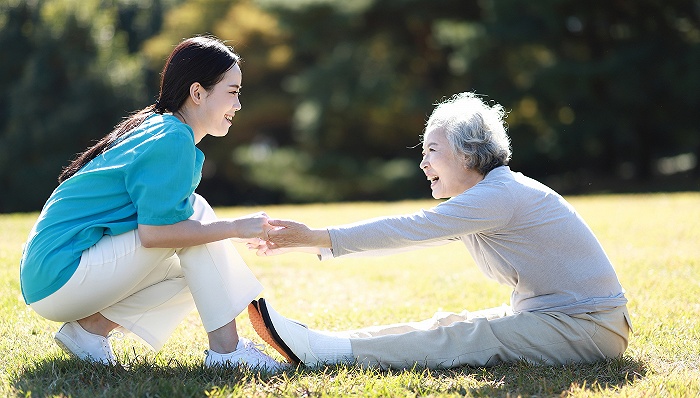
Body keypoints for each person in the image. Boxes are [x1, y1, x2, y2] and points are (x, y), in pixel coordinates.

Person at [246, 92, 632, 370]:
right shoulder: (486, 196)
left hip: (589, 327)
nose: (423, 163)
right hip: (570, 321)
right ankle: (325, 345)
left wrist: (315, 237)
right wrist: (318, 242)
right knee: (450, 324)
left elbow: (412, 229)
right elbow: (410, 232)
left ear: (467, 154)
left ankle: (323, 352)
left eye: (432, 150)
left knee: (469, 337)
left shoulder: (498, 195)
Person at [19, 36, 285, 371]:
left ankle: (89, 332)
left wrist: (225, 233)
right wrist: (233, 228)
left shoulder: (160, 128)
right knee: (197, 215)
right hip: (60, 275)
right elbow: (157, 235)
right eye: (232, 92)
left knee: (202, 269)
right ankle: (228, 353)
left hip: (49, 278)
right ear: (198, 93)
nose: (238, 105)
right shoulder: (172, 138)